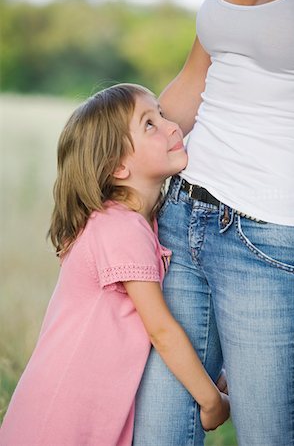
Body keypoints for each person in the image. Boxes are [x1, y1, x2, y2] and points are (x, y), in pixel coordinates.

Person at [0, 84, 229, 446]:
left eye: (163, 115)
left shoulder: (129, 223)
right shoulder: (121, 229)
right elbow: (161, 331)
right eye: (149, 124)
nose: (173, 127)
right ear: (117, 166)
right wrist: (210, 400)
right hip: (61, 423)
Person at [133, 0, 294, 445]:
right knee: (158, 434)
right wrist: (115, 172)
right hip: (184, 213)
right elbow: (192, 84)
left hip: (269, 236)